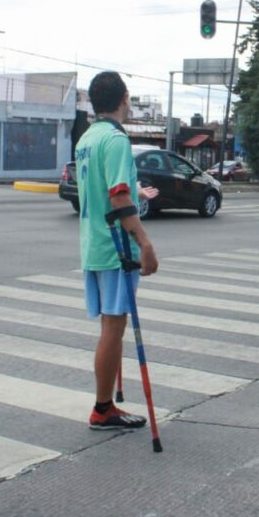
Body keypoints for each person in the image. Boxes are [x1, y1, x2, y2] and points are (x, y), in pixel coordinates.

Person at [75, 71, 159, 430]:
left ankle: (105, 403)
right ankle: (103, 408)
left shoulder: (87, 139)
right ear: (124, 98)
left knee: (110, 326)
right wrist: (145, 243)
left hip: (92, 243)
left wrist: (133, 193)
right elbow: (118, 195)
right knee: (113, 327)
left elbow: (108, 187)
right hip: (115, 248)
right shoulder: (116, 140)